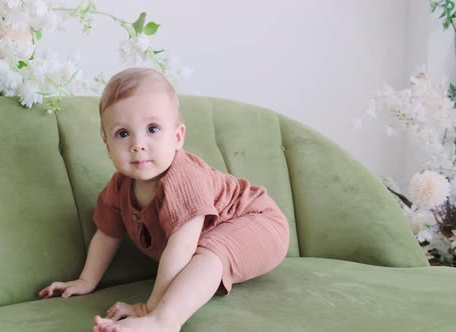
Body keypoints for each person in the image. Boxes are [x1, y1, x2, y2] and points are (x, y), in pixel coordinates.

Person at [38, 67, 290, 332]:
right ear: (107, 144)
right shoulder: (119, 187)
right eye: (123, 133)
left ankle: (163, 321)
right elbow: (106, 234)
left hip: (260, 222)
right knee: (206, 251)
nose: (138, 144)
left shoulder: (183, 179)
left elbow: (181, 249)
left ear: (178, 136)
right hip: (221, 235)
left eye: (152, 129)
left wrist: (150, 307)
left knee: (209, 253)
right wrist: (86, 281)